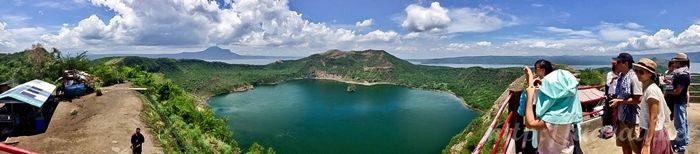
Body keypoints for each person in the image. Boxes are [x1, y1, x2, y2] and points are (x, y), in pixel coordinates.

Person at [523, 64, 583, 154]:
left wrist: (530, 97)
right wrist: (530, 79)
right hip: (567, 149)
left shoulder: (553, 117)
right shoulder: (569, 109)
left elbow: (530, 123)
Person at [633, 58, 673, 154]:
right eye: (636, 71)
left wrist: (647, 144)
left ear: (650, 74)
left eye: (641, 72)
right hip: (651, 131)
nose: (638, 74)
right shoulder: (648, 88)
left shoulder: (651, 90)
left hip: (654, 133)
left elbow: (653, 118)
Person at [609, 53, 643, 154]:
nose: (616, 65)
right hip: (622, 118)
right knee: (625, 145)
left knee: (637, 147)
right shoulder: (621, 77)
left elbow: (638, 99)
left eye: (618, 62)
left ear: (626, 63)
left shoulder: (634, 78)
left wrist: (619, 101)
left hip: (632, 119)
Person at [666, 53, 691, 152]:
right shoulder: (682, 74)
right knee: (683, 123)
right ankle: (684, 141)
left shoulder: (682, 76)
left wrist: (667, 92)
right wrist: (670, 83)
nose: (674, 63)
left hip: (679, 102)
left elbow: (677, 91)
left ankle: (681, 146)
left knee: (679, 124)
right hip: (681, 102)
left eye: (676, 61)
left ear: (680, 62)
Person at [601, 58, 619, 138]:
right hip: (612, 94)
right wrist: (613, 79)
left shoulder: (621, 74)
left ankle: (615, 126)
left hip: (618, 94)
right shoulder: (610, 74)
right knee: (610, 111)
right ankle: (609, 127)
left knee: (617, 112)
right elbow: (608, 84)